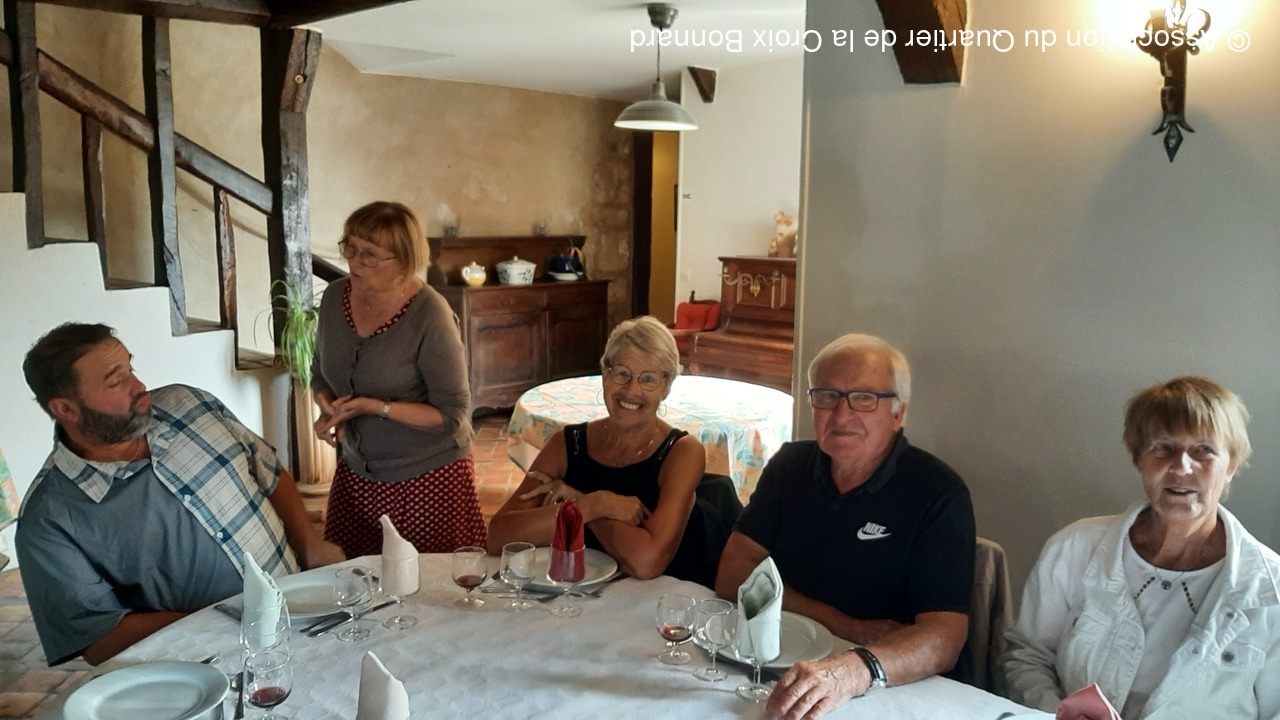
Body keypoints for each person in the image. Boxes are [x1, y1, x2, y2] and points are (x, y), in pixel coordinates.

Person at [16, 323, 343, 666]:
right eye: (115, 381)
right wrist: (224, 623)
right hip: (217, 665)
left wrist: (309, 542)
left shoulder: (190, 406)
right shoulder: (49, 517)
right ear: (65, 409)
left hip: (305, 608)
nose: (139, 387)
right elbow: (97, 638)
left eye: (131, 369)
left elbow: (269, 472)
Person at [716, 333, 975, 720]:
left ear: (898, 412)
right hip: (779, 657)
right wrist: (844, 624)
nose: (841, 415)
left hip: (884, 683)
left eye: (864, 398)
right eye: (827, 396)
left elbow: (945, 637)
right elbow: (732, 575)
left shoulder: (937, 492)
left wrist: (856, 668)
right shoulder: (790, 465)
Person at [1002, 376, 1280, 719]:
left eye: (1204, 450)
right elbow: (1027, 656)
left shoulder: (1272, 590)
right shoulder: (1073, 548)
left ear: (1231, 466)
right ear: (1138, 459)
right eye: (1163, 447)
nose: (1181, 467)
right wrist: (1055, 713)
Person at [312, 201, 485, 556]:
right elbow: (319, 372)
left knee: (426, 580)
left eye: (370, 254)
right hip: (356, 473)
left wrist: (375, 407)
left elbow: (452, 415)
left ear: (404, 263)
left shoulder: (430, 315)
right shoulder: (334, 297)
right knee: (354, 575)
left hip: (427, 478)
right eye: (351, 247)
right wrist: (329, 407)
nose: (354, 260)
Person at [486, 316, 706, 580]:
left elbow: (646, 562)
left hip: (653, 599)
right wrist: (591, 506)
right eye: (621, 373)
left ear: (666, 387)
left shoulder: (682, 452)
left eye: (648, 379)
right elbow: (498, 537)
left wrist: (577, 501)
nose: (631, 390)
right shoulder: (568, 443)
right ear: (605, 374)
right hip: (568, 595)